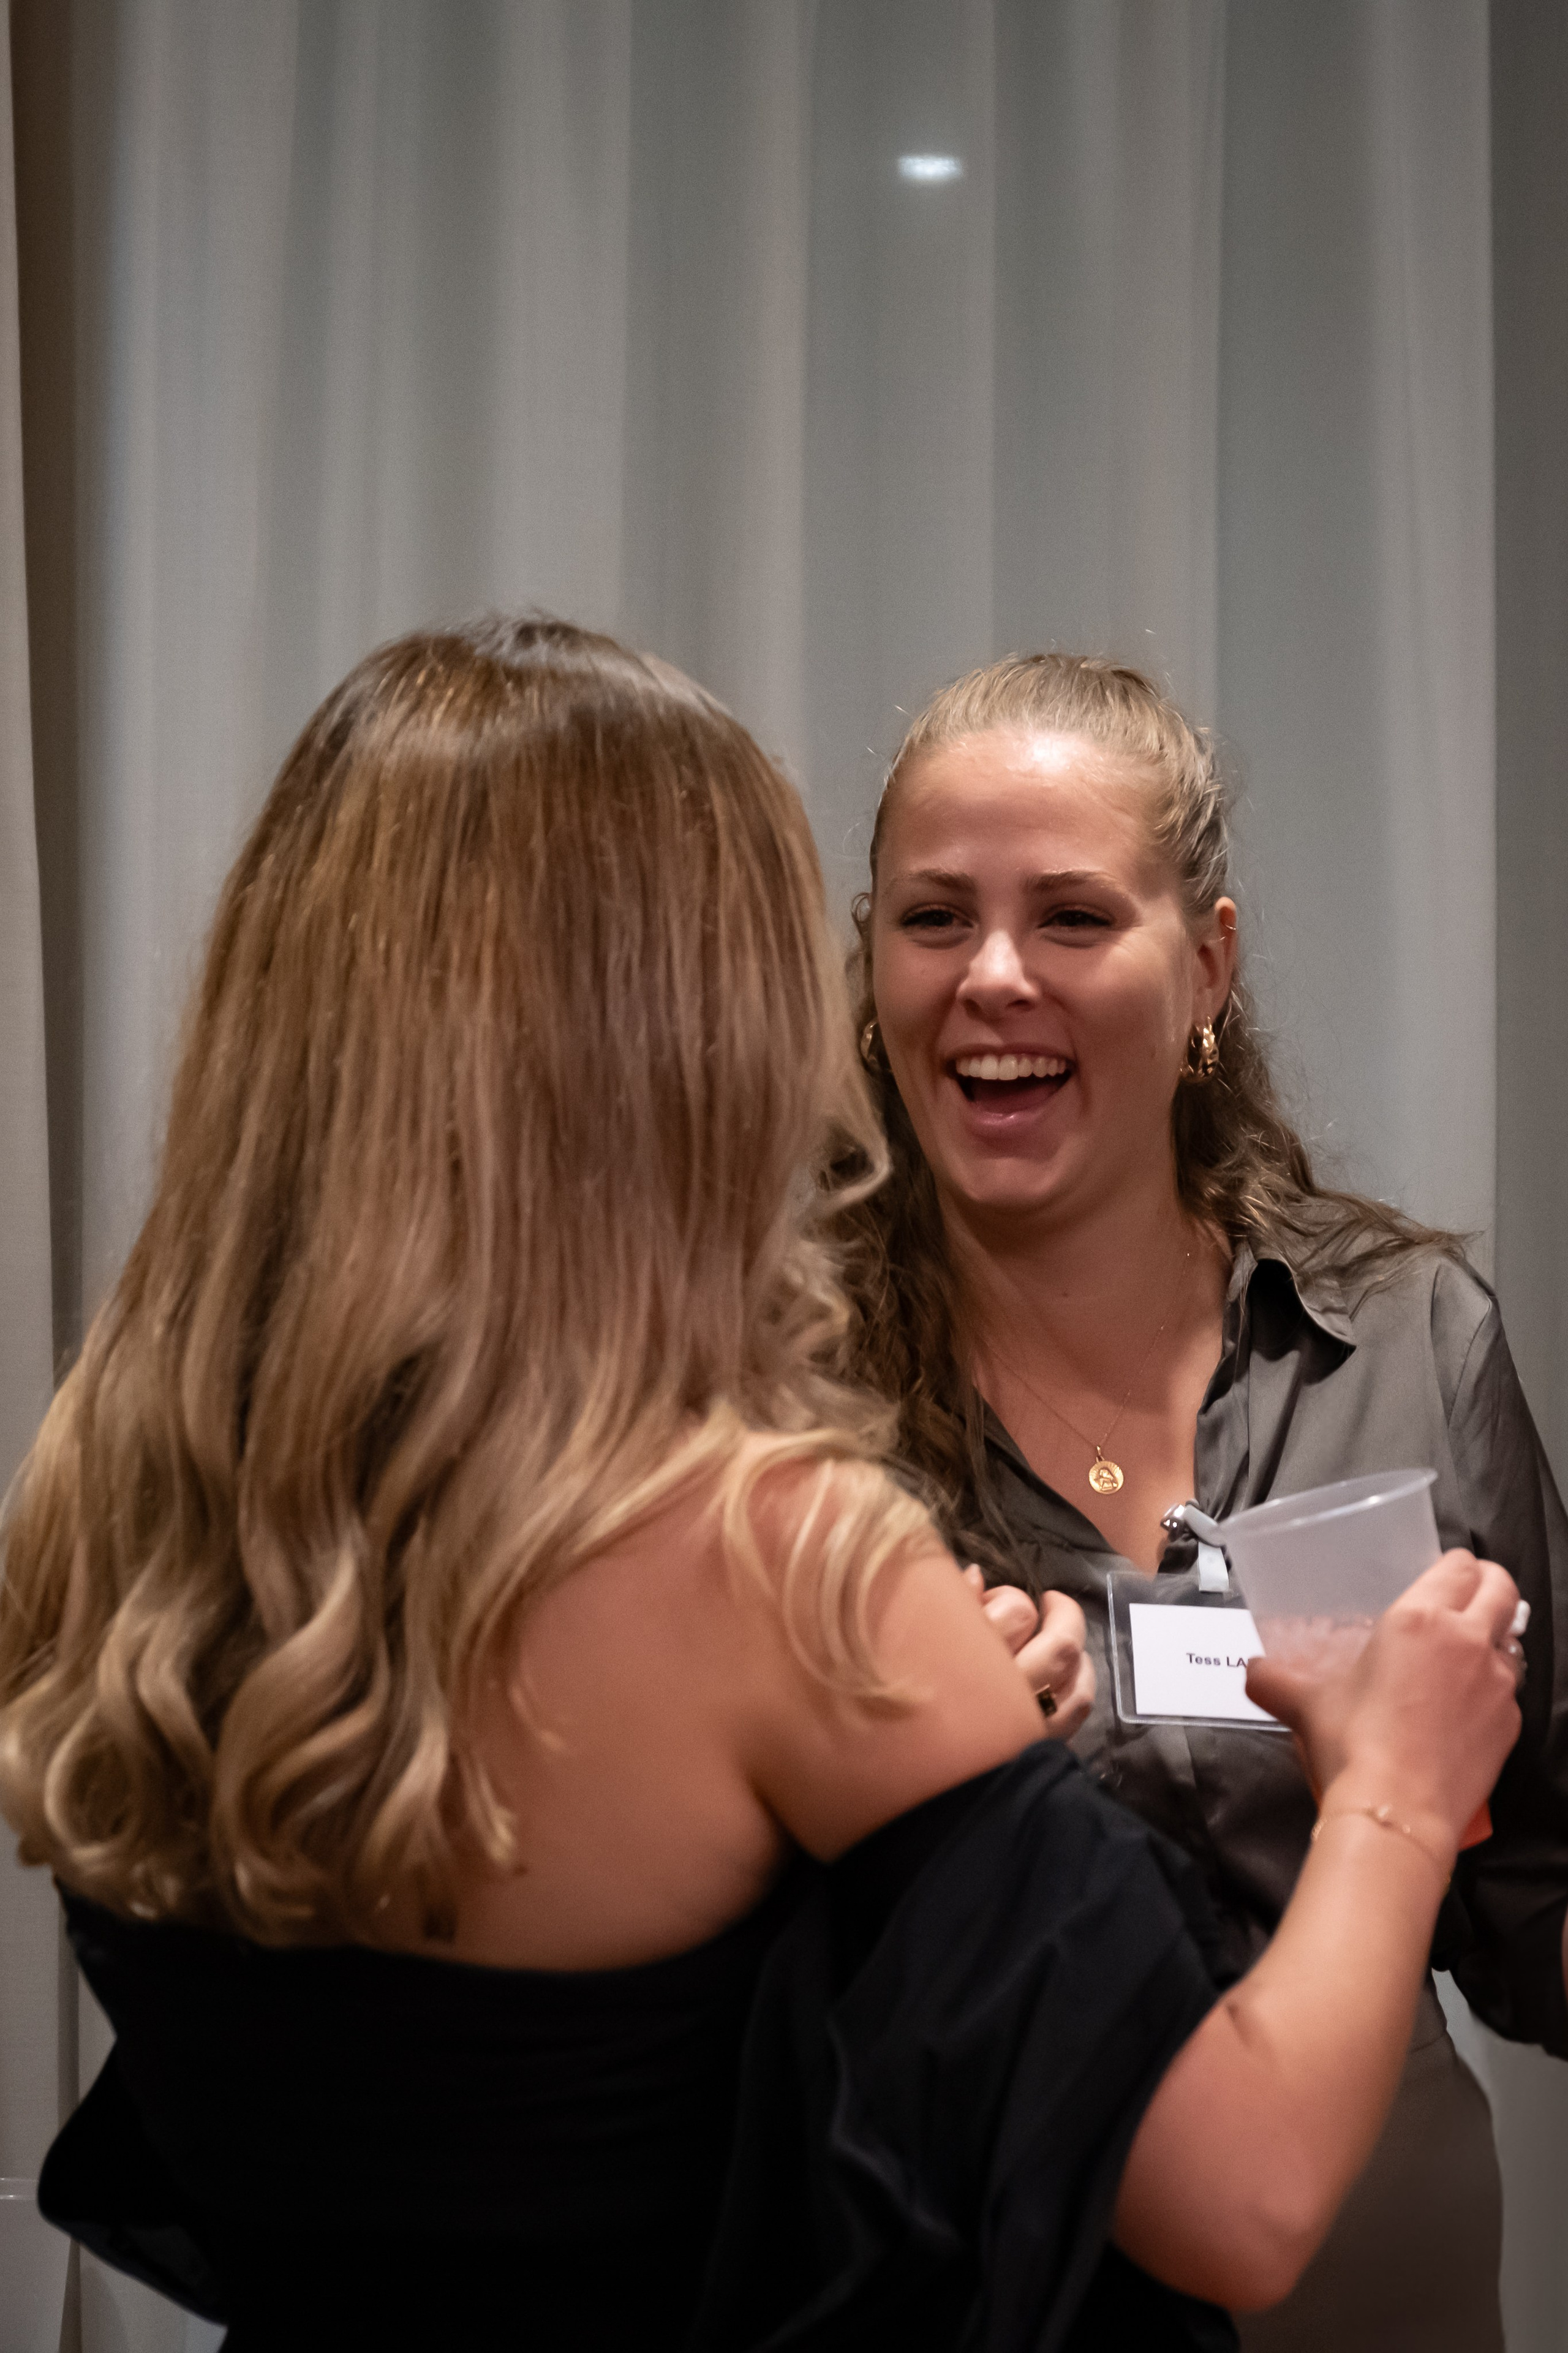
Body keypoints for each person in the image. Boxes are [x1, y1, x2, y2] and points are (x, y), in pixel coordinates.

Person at [0, 620, 1524, 2353]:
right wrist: (1396, 1782)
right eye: (907, 922)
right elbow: (1236, 2198)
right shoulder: (770, 1546)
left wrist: (941, 1805)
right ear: (676, 1025)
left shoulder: (105, 1503)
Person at [837, 648, 1568, 2352]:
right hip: (969, 2291)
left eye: (1075, 918)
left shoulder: (1406, 1339)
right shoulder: (783, 1399)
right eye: (933, 917)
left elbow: (1536, 1884)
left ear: (1208, 967)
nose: (992, 976)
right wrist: (913, 1792)